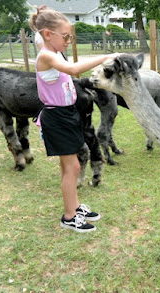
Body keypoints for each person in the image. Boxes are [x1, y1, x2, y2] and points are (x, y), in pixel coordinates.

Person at [30, 7, 119, 233]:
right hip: (57, 118)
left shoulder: (55, 51)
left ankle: (75, 206)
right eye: (66, 36)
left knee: (67, 166)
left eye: (71, 37)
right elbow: (74, 70)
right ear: (48, 34)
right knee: (74, 166)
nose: (69, 41)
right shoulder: (47, 55)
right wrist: (108, 57)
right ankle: (69, 216)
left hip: (67, 115)